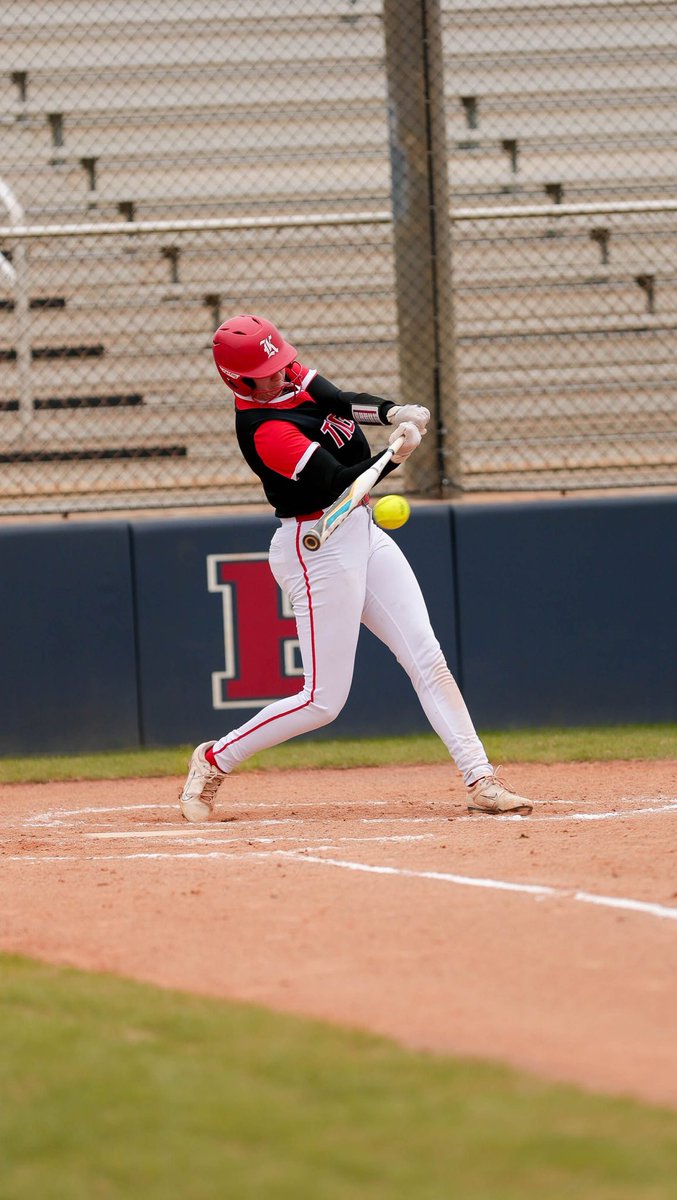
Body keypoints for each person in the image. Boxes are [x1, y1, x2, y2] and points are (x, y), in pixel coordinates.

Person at [179, 314, 533, 821]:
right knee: (323, 700)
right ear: (238, 379)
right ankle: (214, 759)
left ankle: (482, 780)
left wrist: (391, 413)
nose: (281, 372)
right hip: (316, 544)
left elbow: (339, 401)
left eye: (279, 360)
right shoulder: (264, 431)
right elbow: (340, 484)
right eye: (267, 369)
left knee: (426, 657)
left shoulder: (288, 375)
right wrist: (394, 457)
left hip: (361, 531)